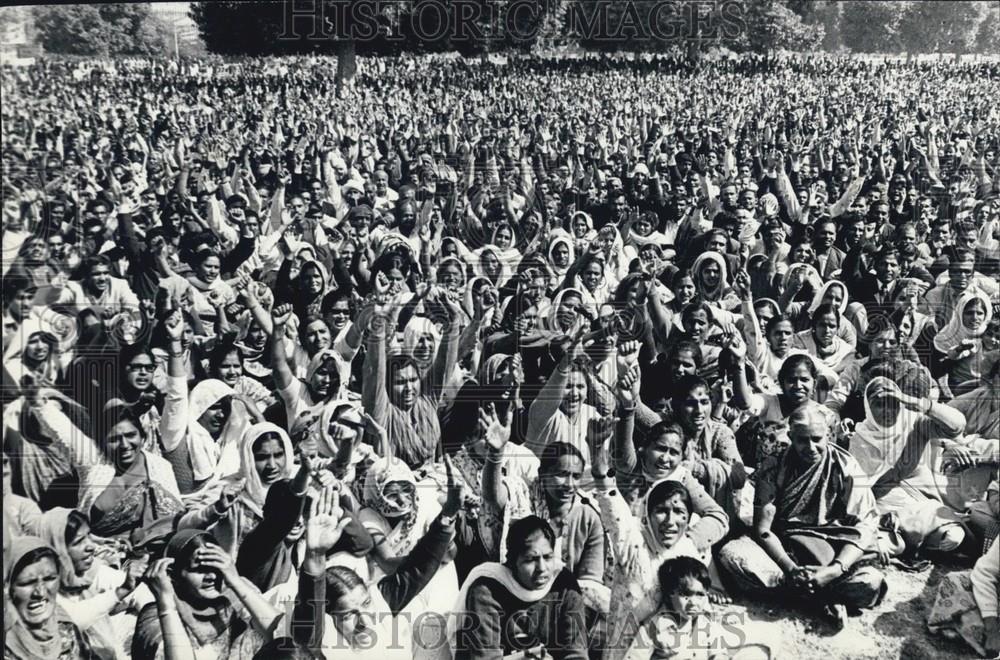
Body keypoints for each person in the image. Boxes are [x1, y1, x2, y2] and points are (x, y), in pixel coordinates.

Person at [718, 404, 887, 629]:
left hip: (833, 548)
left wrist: (833, 570)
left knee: (870, 582)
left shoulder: (845, 465)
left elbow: (865, 524)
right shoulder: (774, 464)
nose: (811, 447)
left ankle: (806, 590)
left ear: (829, 435)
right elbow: (763, 530)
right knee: (732, 556)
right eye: (802, 440)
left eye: (817, 439)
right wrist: (791, 569)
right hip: (786, 549)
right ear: (790, 436)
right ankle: (821, 595)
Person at [449, 515, 590, 660]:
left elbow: (576, 653)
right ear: (512, 562)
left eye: (548, 557)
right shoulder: (487, 590)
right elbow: (485, 656)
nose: (542, 568)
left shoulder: (564, 585)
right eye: (530, 560)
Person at [4, 534, 114, 659]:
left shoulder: (64, 624)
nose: (40, 593)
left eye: (49, 579)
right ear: (8, 587)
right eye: (27, 583)